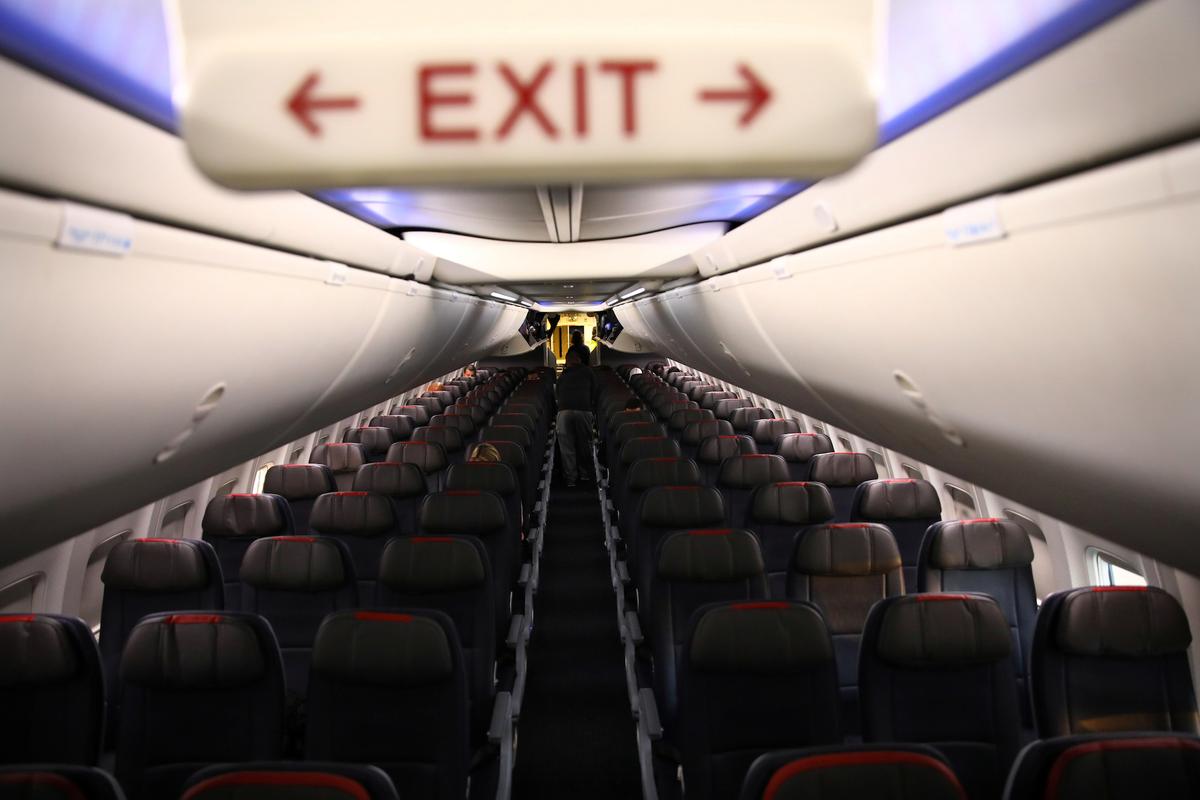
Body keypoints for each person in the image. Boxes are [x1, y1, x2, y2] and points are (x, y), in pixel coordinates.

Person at [555, 351, 598, 487]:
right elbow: (595, 392)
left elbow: (557, 396)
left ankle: (570, 479)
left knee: (567, 447)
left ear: (567, 362)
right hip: (583, 409)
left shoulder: (563, 375)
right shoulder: (589, 372)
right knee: (584, 444)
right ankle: (585, 475)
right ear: (579, 360)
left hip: (564, 411)